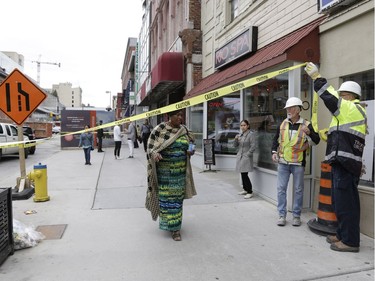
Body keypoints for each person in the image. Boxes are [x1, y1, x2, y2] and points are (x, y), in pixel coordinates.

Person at [305, 62, 367, 253]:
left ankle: (349, 241)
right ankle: (342, 234)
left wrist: (317, 77)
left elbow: (329, 96)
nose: (339, 97)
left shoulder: (350, 107)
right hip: (345, 163)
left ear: (349, 96)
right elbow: (342, 134)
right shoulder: (352, 112)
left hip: (345, 163)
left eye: (342, 95)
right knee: (341, 201)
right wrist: (325, 134)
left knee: (345, 203)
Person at [145, 110, 196, 241]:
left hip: (179, 174)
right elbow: (150, 147)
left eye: (181, 115)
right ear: (169, 116)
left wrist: (191, 151)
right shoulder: (160, 129)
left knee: (177, 201)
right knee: (166, 201)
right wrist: (155, 154)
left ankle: (176, 229)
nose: (180, 118)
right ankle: (168, 224)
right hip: (164, 174)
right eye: (177, 115)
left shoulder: (184, 129)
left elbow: (191, 142)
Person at [271, 97, 320, 227]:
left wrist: (309, 134)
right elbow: (275, 140)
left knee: (298, 190)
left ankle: (296, 216)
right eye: (288, 108)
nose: (289, 110)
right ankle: (282, 215)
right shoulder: (283, 124)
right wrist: (274, 152)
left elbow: (317, 140)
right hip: (283, 162)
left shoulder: (306, 124)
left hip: (298, 163)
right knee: (281, 189)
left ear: (298, 110)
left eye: (291, 108)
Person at [234, 119, 256, 199]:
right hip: (240, 156)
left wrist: (247, 155)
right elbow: (235, 146)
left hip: (246, 157)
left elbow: (253, 146)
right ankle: (245, 189)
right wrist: (236, 139)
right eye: (241, 125)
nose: (242, 127)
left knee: (244, 174)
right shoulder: (241, 134)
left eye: (244, 125)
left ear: (248, 126)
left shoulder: (251, 134)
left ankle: (250, 191)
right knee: (242, 173)